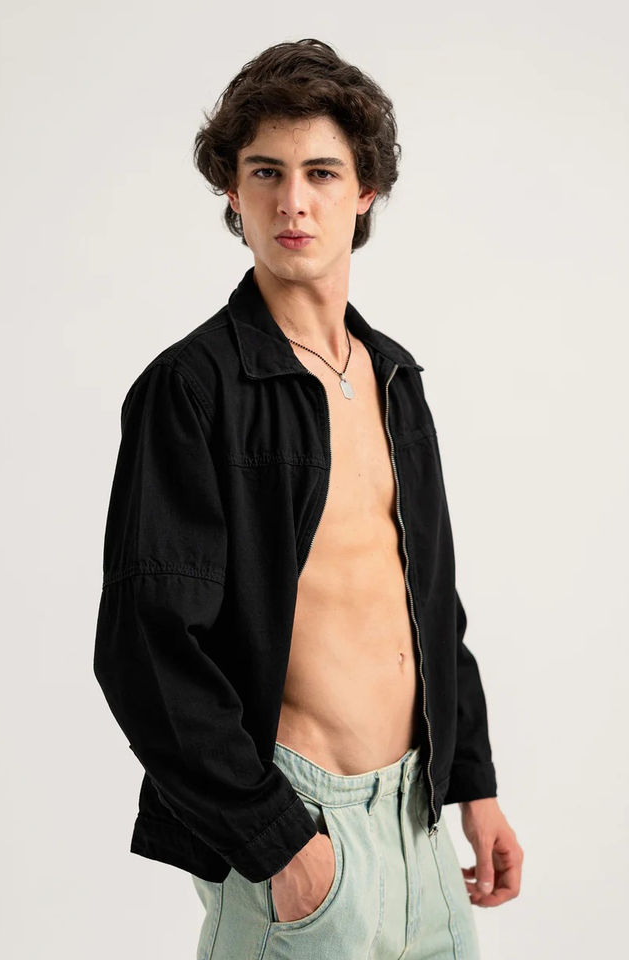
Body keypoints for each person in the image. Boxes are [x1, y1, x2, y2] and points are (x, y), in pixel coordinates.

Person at [93, 38, 523, 959]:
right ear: (232, 190)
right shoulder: (193, 389)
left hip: (419, 822)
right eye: (266, 172)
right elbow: (146, 649)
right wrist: (280, 846)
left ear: (366, 191)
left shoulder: (395, 378)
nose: (293, 201)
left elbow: (428, 603)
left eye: (322, 173)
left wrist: (473, 783)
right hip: (299, 829)